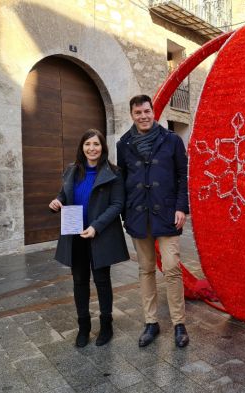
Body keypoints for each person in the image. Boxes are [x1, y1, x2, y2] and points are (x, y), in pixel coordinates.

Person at [117, 94, 190, 348]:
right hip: (138, 215)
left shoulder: (171, 140)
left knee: (171, 267)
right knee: (145, 269)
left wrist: (181, 207)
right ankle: (151, 322)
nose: (143, 116)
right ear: (132, 115)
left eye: (147, 111)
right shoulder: (123, 143)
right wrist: (126, 214)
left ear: (153, 112)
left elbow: (183, 176)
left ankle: (179, 323)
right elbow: (122, 180)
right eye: (138, 113)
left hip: (167, 214)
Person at [50, 129, 129, 348]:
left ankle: (106, 325)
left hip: (99, 235)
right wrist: (57, 201)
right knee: (79, 282)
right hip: (76, 234)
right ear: (82, 147)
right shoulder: (72, 171)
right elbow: (64, 194)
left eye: (96, 144)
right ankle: (83, 328)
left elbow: (117, 204)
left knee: (102, 281)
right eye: (87, 144)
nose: (91, 148)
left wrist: (96, 226)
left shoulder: (114, 172)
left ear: (102, 147)